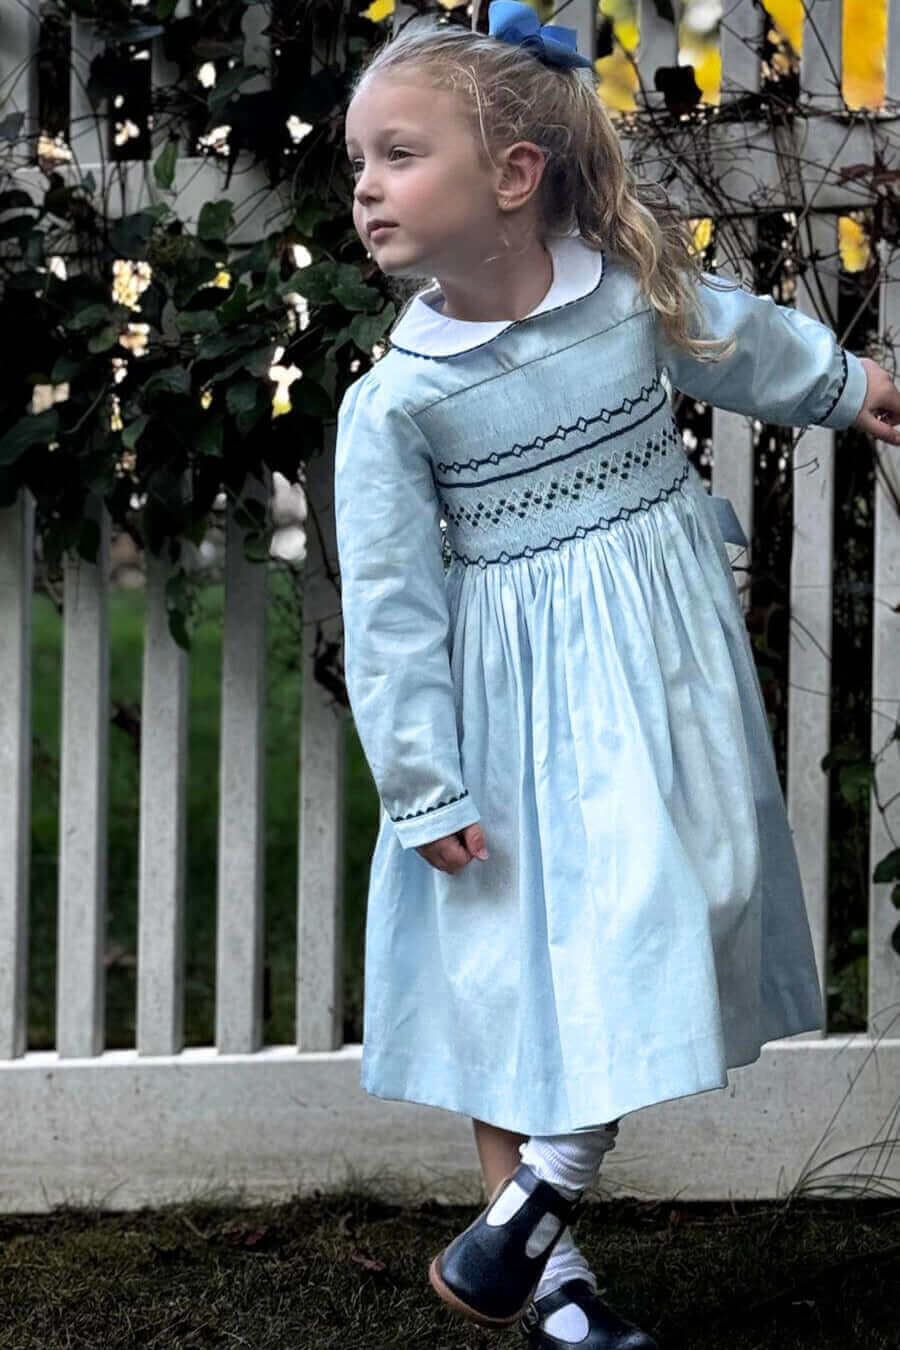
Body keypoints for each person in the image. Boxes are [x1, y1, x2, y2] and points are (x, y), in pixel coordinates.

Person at [334, 3, 900, 1346]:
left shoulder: (622, 291)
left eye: (399, 153)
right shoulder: (397, 404)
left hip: (653, 677)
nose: (364, 184)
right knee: (508, 978)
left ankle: (540, 1191)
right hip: (505, 716)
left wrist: (847, 381)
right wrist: (423, 783)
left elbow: (741, 338)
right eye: (359, 159)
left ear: (512, 179)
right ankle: (550, 1265)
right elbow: (394, 613)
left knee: (690, 895)